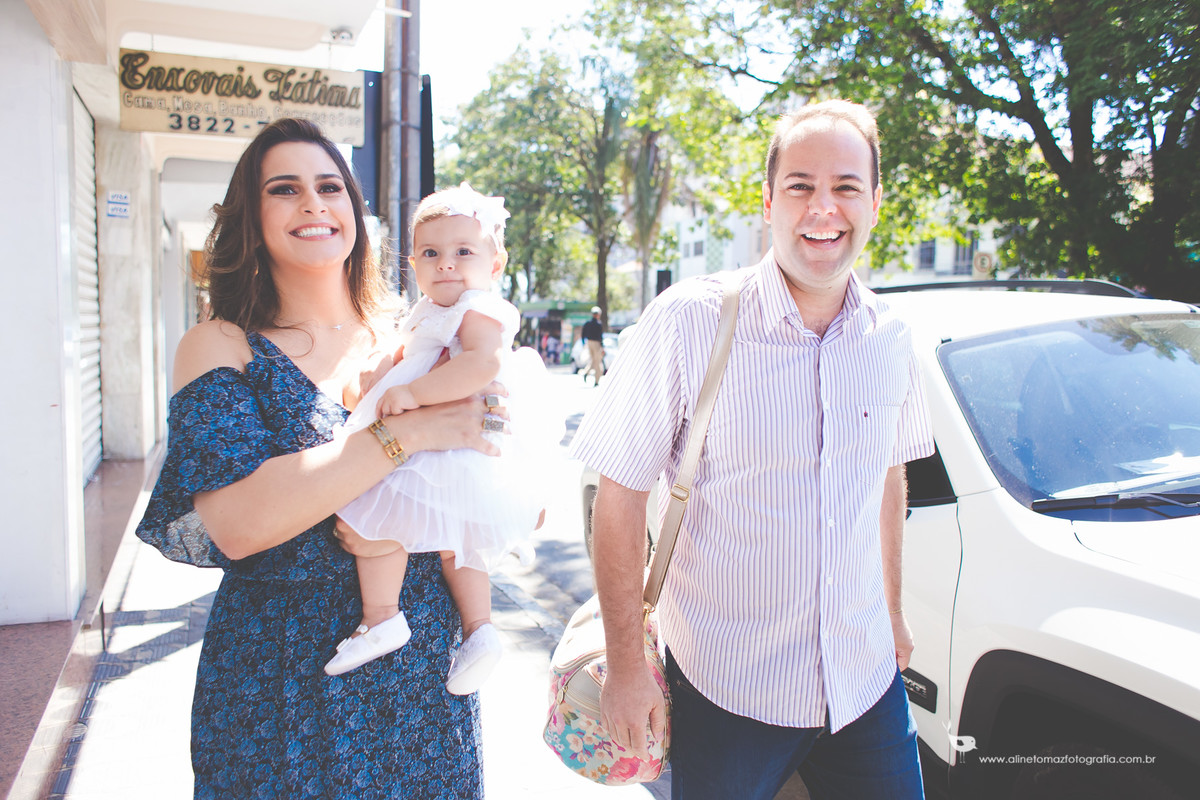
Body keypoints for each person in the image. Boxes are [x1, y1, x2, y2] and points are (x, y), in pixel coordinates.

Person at [570, 100, 935, 800]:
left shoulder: (892, 335)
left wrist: (892, 609)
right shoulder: (688, 322)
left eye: (846, 187)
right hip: (728, 688)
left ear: (876, 203)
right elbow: (618, 495)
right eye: (800, 185)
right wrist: (624, 665)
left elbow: (887, 476)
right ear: (768, 201)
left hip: (863, 680)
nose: (822, 208)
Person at [136, 118, 498, 799]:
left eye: (330, 185)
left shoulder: (415, 335)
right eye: (285, 188)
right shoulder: (220, 345)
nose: (313, 203)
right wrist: (407, 436)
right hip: (281, 671)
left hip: (420, 668)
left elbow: (501, 479)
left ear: (355, 213)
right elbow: (239, 521)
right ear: (253, 216)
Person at [325, 183, 555, 692]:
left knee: (382, 511)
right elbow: (406, 351)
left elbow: (481, 363)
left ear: (495, 264)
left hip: (451, 439)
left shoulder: (479, 308)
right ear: (412, 262)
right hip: (439, 439)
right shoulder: (427, 310)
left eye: (463, 252)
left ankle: (404, 619)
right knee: (452, 542)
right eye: (431, 253)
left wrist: (416, 395)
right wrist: (380, 371)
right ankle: (457, 629)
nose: (447, 263)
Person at [581, 305, 605, 385]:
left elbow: (583, 334)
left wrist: (584, 343)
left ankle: (586, 372)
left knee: (593, 360)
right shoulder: (598, 324)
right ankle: (596, 380)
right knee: (597, 361)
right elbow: (600, 336)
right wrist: (602, 346)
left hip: (589, 343)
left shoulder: (588, 323)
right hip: (596, 343)